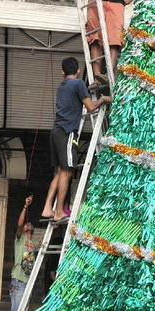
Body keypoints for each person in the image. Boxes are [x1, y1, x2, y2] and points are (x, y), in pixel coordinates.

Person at [41, 57, 111, 222]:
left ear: (63, 72)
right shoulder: (78, 84)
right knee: (67, 171)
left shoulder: (62, 86)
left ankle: (47, 208)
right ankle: (59, 211)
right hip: (67, 132)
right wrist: (103, 99)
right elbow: (90, 107)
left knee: (60, 171)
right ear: (78, 70)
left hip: (56, 131)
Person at [9, 194, 38, 311]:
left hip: (28, 283)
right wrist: (25, 206)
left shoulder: (33, 244)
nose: (28, 223)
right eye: (27, 223)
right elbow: (19, 224)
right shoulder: (19, 241)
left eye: (30, 223)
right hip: (19, 281)